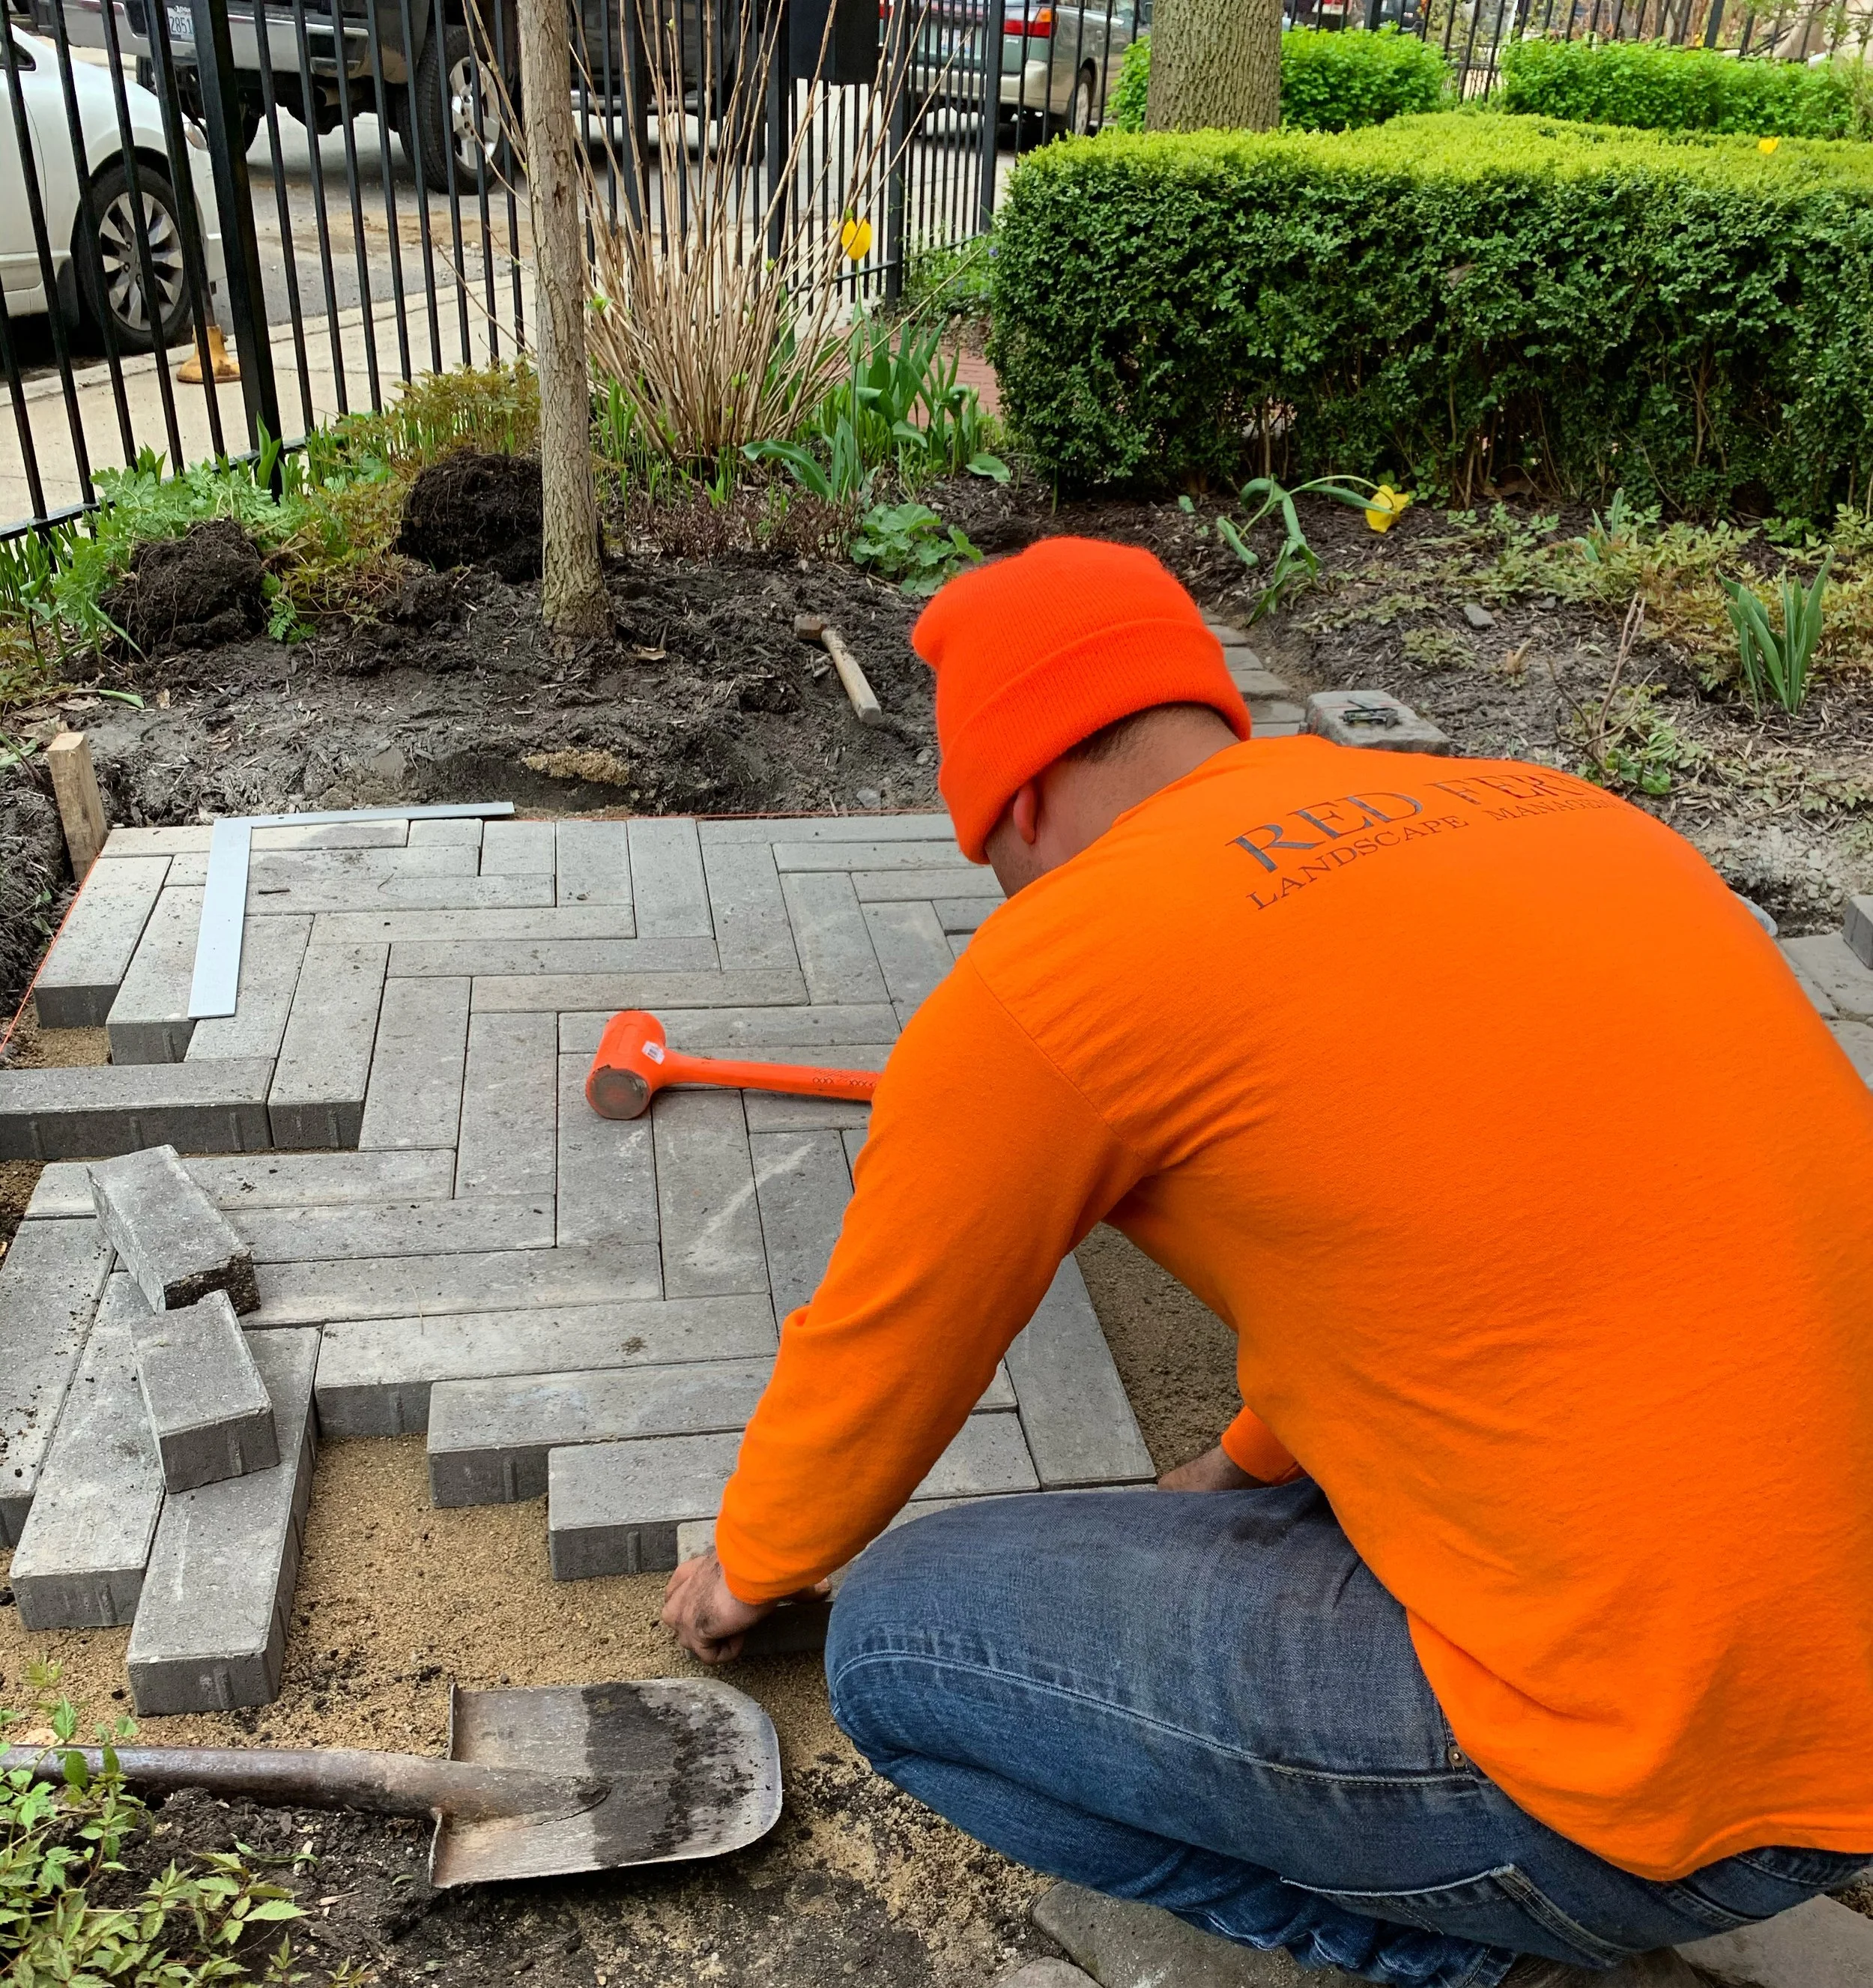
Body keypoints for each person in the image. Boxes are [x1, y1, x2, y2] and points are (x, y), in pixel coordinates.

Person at [662, 537, 1873, 1987]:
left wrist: (745, 1572)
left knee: (906, 1643)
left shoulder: (1060, 971)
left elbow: (884, 1349)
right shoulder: (1549, 810)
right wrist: (1242, 1463)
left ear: (1020, 800)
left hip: (1656, 1788)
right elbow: (1448, 1247)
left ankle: (1460, 1950)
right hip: (1832, 1668)